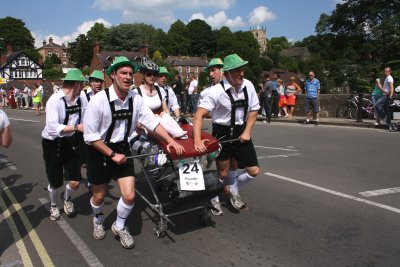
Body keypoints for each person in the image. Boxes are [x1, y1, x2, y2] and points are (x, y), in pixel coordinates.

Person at [84, 56, 184, 249]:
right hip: (100, 151)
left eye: (131, 73)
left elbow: (153, 123)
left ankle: (119, 226)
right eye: (123, 73)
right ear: (113, 75)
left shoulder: (136, 99)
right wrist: (112, 155)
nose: (128, 77)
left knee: (129, 196)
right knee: (99, 196)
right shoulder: (98, 101)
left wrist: (170, 141)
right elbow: (90, 137)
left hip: (123, 148)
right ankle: (98, 220)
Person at [193, 54, 260, 212]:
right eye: (237, 70)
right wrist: (197, 141)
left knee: (253, 170)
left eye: (242, 69)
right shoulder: (215, 91)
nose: (241, 73)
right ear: (227, 73)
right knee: (223, 172)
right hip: (222, 132)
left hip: (241, 131)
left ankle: (232, 190)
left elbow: (255, 110)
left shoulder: (248, 85)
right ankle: (213, 197)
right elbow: (198, 115)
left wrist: (247, 131)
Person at [41, 68, 86, 221]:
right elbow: (53, 128)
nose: (83, 88)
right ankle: (53, 205)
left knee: (75, 181)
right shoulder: (54, 101)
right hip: (52, 143)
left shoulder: (81, 99)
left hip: (71, 142)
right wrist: (76, 127)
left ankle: (66, 198)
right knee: (55, 181)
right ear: (76, 84)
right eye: (82, 84)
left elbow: (86, 119)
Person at [134, 57, 187, 139]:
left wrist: (171, 118)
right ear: (144, 75)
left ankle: (178, 130)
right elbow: (135, 115)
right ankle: (173, 132)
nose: (152, 77)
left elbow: (165, 109)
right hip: (145, 124)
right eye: (149, 74)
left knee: (162, 114)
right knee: (156, 116)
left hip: (160, 122)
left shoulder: (160, 90)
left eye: (155, 74)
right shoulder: (137, 92)